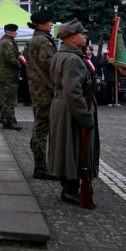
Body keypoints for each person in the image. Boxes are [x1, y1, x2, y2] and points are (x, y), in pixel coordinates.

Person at [48, 20, 100, 206]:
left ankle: (69, 187)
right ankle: (70, 189)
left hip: (61, 105)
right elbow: (73, 92)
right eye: (82, 34)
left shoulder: (60, 55)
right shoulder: (73, 59)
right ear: (72, 38)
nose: (85, 37)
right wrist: (86, 117)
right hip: (71, 108)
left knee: (66, 146)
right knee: (73, 147)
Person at [24, 9, 59, 180]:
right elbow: (50, 64)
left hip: (38, 89)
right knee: (41, 128)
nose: (51, 24)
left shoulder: (34, 40)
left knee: (40, 126)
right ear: (41, 24)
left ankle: (42, 165)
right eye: (49, 22)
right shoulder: (43, 41)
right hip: (45, 91)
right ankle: (40, 167)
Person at [0, 24, 22, 130]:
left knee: (7, 98)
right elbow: (10, 57)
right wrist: (19, 65)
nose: (16, 33)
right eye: (14, 31)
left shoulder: (4, 41)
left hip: (5, 74)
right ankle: (8, 122)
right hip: (8, 74)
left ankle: (6, 120)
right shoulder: (8, 42)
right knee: (9, 99)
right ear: (9, 32)